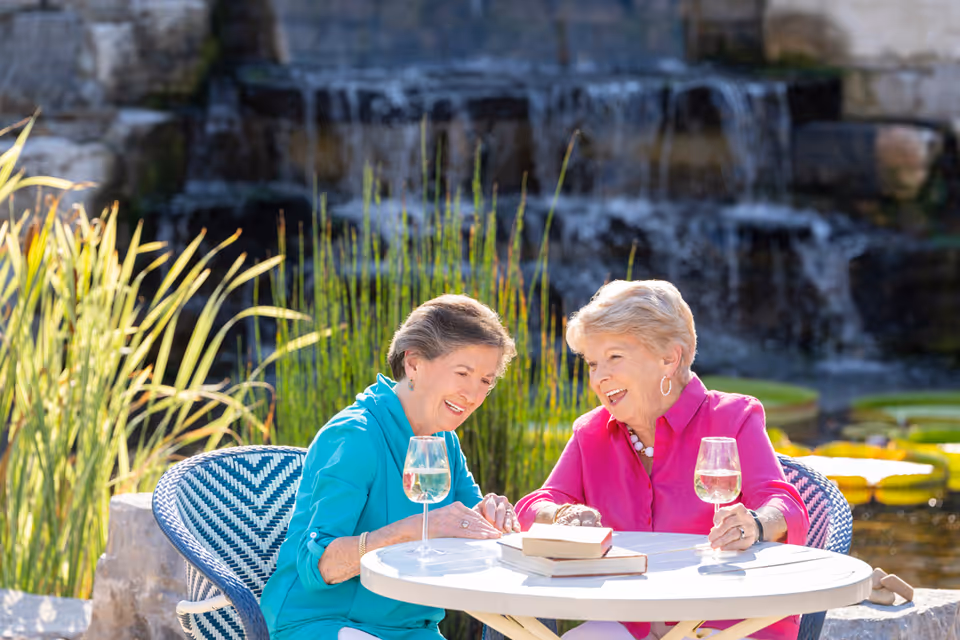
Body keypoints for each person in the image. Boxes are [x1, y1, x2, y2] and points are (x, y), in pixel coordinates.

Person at [514, 280, 810, 640]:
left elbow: (785, 505)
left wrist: (755, 524)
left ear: (670, 358)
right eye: (593, 363)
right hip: (630, 622)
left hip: (727, 622)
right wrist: (562, 515)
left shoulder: (734, 417)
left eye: (615, 357)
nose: (599, 377)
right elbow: (533, 506)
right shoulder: (591, 432)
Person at [261, 294, 521, 640]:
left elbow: (467, 525)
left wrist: (490, 516)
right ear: (413, 364)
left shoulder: (443, 441)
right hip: (323, 623)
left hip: (410, 628)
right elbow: (320, 566)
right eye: (463, 373)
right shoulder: (355, 437)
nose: (473, 395)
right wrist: (415, 529)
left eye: (486, 382)